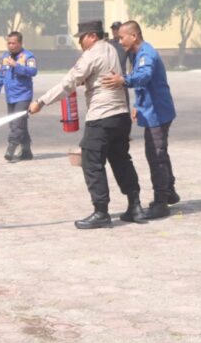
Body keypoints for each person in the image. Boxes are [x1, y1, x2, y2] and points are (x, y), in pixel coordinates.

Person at [28, 20, 144, 228]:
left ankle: (101, 211)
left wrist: (41, 102)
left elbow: (68, 83)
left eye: (81, 38)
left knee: (91, 161)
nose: (80, 42)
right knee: (121, 159)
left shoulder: (91, 55)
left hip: (101, 116)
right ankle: (135, 206)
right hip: (121, 115)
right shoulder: (113, 49)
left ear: (91, 36)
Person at [101, 21, 179, 219]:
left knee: (156, 156)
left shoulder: (146, 54)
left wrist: (123, 80)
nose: (120, 41)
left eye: (121, 37)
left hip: (158, 113)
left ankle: (161, 202)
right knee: (160, 152)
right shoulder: (137, 54)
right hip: (152, 110)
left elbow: (143, 77)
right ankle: (169, 191)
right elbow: (144, 84)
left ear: (133, 36)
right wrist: (138, 105)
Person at [0, 31, 38, 162]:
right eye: (9, 43)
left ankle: (10, 149)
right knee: (16, 123)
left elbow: (33, 71)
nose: (10, 46)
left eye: (13, 43)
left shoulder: (28, 56)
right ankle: (26, 152)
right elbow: (1, 74)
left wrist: (17, 66)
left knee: (17, 124)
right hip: (10, 96)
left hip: (23, 96)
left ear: (20, 43)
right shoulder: (5, 57)